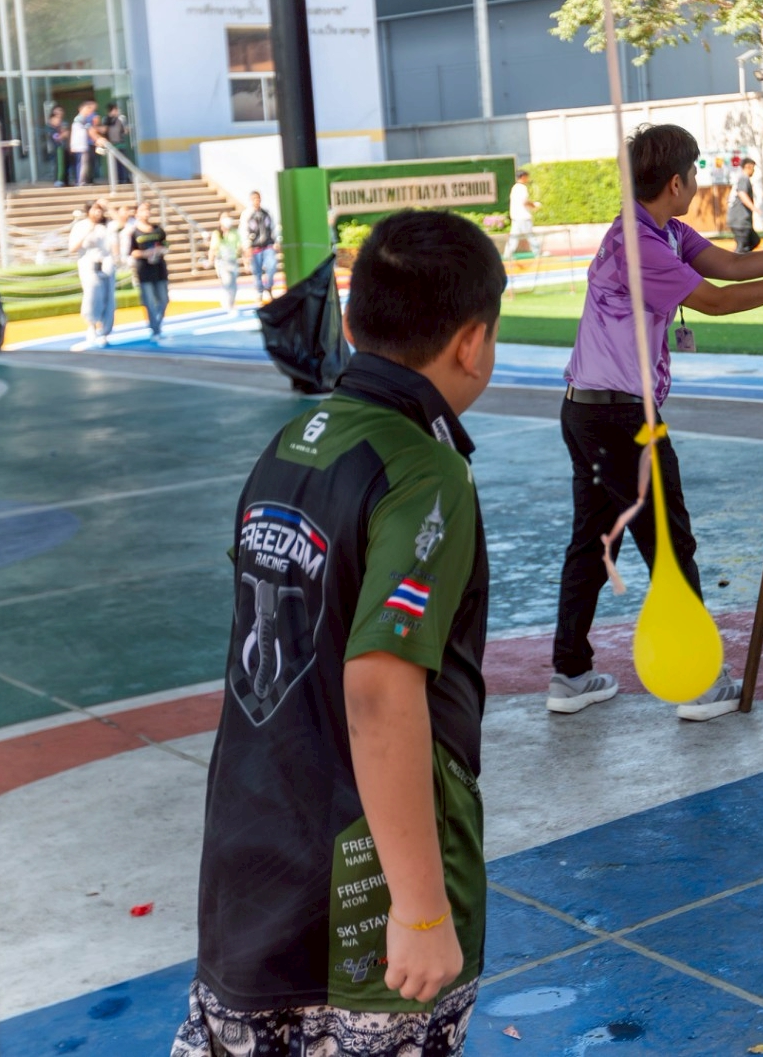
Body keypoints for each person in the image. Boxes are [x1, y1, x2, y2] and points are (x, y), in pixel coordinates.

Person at [176, 210, 501, 1057]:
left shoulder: (290, 443)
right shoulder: (425, 471)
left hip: (251, 859)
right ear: (473, 343)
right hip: (359, 891)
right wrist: (420, 907)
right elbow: (379, 686)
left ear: (352, 323)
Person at [551, 123, 763, 722]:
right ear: (676, 183)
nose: (698, 179)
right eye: (695, 171)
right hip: (619, 419)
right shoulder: (640, 244)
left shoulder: (662, 230)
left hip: (588, 411)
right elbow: (715, 300)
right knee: (670, 544)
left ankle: (570, 672)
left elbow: (729, 265)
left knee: (593, 542)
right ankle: (697, 681)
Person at [72, 199, 115, 351]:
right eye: (94, 209)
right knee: (92, 295)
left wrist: (109, 206)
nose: (98, 212)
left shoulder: (107, 225)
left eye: (100, 209)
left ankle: (105, 331)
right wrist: (88, 231)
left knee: (108, 298)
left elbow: (120, 225)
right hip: (88, 264)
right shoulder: (81, 226)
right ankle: (91, 325)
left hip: (106, 263)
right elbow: (73, 247)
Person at [131, 203, 171, 340]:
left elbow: (165, 244)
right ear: (136, 213)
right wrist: (145, 253)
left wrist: (161, 250)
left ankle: (157, 323)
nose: (146, 212)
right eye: (142, 210)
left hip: (159, 268)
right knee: (149, 301)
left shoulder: (158, 230)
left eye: (147, 210)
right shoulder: (134, 232)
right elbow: (132, 251)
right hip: (144, 270)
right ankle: (155, 329)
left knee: (164, 299)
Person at [243, 190, 280, 302]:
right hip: (255, 247)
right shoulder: (247, 215)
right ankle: (259, 291)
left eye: (258, 198)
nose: (256, 200)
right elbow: (243, 231)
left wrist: (277, 240)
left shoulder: (266, 213)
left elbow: (274, 227)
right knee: (257, 271)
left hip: (268, 245)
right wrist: (247, 246)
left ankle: (269, 286)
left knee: (272, 265)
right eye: (254, 198)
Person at [211, 213, 243, 314]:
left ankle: (231, 303)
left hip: (232, 260)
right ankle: (228, 304)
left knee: (233, 284)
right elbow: (213, 248)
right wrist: (210, 260)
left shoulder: (234, 232)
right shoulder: (217, 233)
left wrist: (242, 254)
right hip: (222, 261)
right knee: (227, 281)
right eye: (224, 217)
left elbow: (239, 246)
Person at [70, 100, 107, 187]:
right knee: (82, 164)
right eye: (88, 109)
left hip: (82, 146)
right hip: (80, 146)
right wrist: (98, 139)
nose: (89, 111)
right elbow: (90, 130)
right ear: (82, 108)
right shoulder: (80, 119)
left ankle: (82, 181)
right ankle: (81, 182)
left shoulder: (83, 119)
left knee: (83, 164)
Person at [728, 157, 762, 252]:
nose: (754, 171)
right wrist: (754, 208)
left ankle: (744, 258)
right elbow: (742, 194)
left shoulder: (741, 178)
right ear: (748, 167)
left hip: (741, 220)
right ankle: (737, 259)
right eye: (753, 168)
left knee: (754, 241)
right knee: (742, 247)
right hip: (740, 220)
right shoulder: (744, 178)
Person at [503, 169, 535, 262]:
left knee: (514, 237)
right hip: (523, 216)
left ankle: (507, 254)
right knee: (530, 236)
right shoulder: (522, 188)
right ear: (523, 177)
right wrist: (534, 205)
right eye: (527, 177)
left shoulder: (515, 188)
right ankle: (538, 252)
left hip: (516, 216)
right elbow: (525, 201)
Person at [104, 100, 131, 185]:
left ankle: (124, 178)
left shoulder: (121, 118)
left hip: (120, 144)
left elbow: (125, 130)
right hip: (112, 145)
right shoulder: (106, 119)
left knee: (122, 162)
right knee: (114, 163)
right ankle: (118, 179)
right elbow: (105, 129)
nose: (117, 111)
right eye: (115, 109)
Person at [46, 105, 69, 187]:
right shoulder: (50, 127)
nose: (59, 118)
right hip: (56, 148)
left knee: (65, 164)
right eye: (57, 113)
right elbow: (56, 137)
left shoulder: (64, 123)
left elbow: (67, 133)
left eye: (61, 112)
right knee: (58, 164)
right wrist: (63, 134)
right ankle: (58, 180)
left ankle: (65, 180)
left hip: (64, 147)